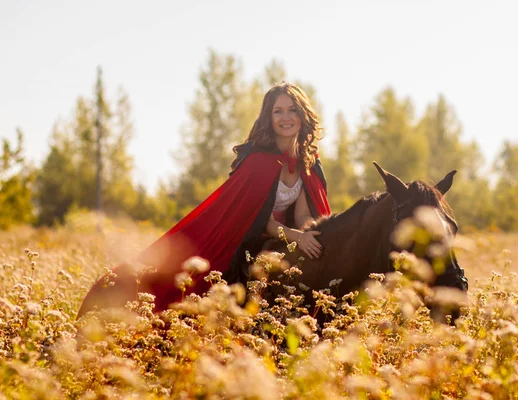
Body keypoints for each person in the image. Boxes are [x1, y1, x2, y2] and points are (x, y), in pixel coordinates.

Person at [77, 82, 331, 317]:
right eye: (278, 111)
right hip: (245, 239)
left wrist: (311, 233)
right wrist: (297, 237)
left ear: (302, 115)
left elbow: (302, 215)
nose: (286, 117)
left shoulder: (306, 163)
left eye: (292, 110)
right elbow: (258, 219)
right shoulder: (258, 163)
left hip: (280, 236)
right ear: (269, 117)